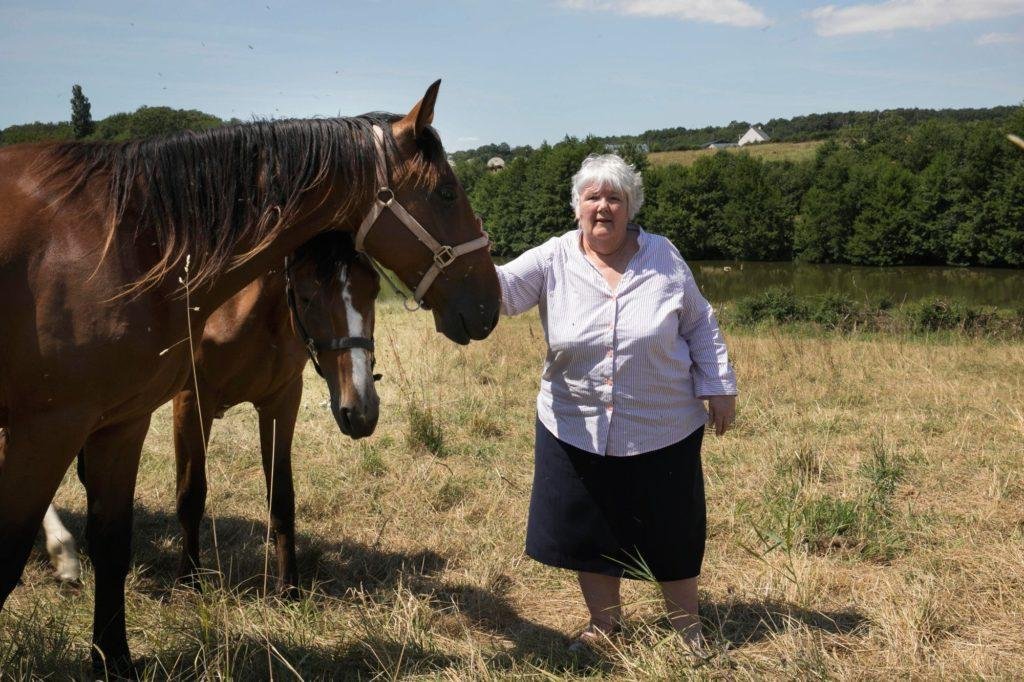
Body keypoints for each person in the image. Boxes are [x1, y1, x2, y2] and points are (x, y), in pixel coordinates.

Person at [495, 154, 737, 649]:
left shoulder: (663, 256)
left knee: (672, 528)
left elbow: (698, 322)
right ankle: (605, 626)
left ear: (630, 207)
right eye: (593, 197)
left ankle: (687, 626)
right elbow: (497, 294)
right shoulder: (552, 258)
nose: (603, 207)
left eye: (615, 198)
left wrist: (719, 385)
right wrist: (460, 252)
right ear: (576, 206)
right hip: (574, 421)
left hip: (663, 422)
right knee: (592, 531)